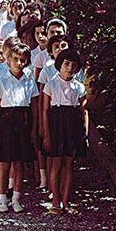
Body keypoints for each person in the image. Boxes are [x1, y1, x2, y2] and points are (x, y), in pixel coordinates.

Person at [0, 43, 39, 214]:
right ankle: (2, 198)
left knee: (20, 163)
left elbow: (34, 106)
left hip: (23, 122)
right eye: (15, 59)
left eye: (22, 60)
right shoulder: (2, 80)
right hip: (6, 122)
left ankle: (16, 198)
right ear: (8, 60)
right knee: (4, 163)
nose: (19, 63)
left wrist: (33, 129)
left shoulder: (29, 81)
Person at [42, 48, 88, 215]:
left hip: (73, 126)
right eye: (66, 64)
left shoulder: (79, 87)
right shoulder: (51, 85)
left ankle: (66, 200)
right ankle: (55, 200)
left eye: (74, 65)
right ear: (59, 65)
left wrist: (85, 134)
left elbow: (84, 111)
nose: (70, 68)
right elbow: (45, 111)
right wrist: (46, 135)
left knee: (69, 164)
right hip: (56, 125)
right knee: (56, 163)